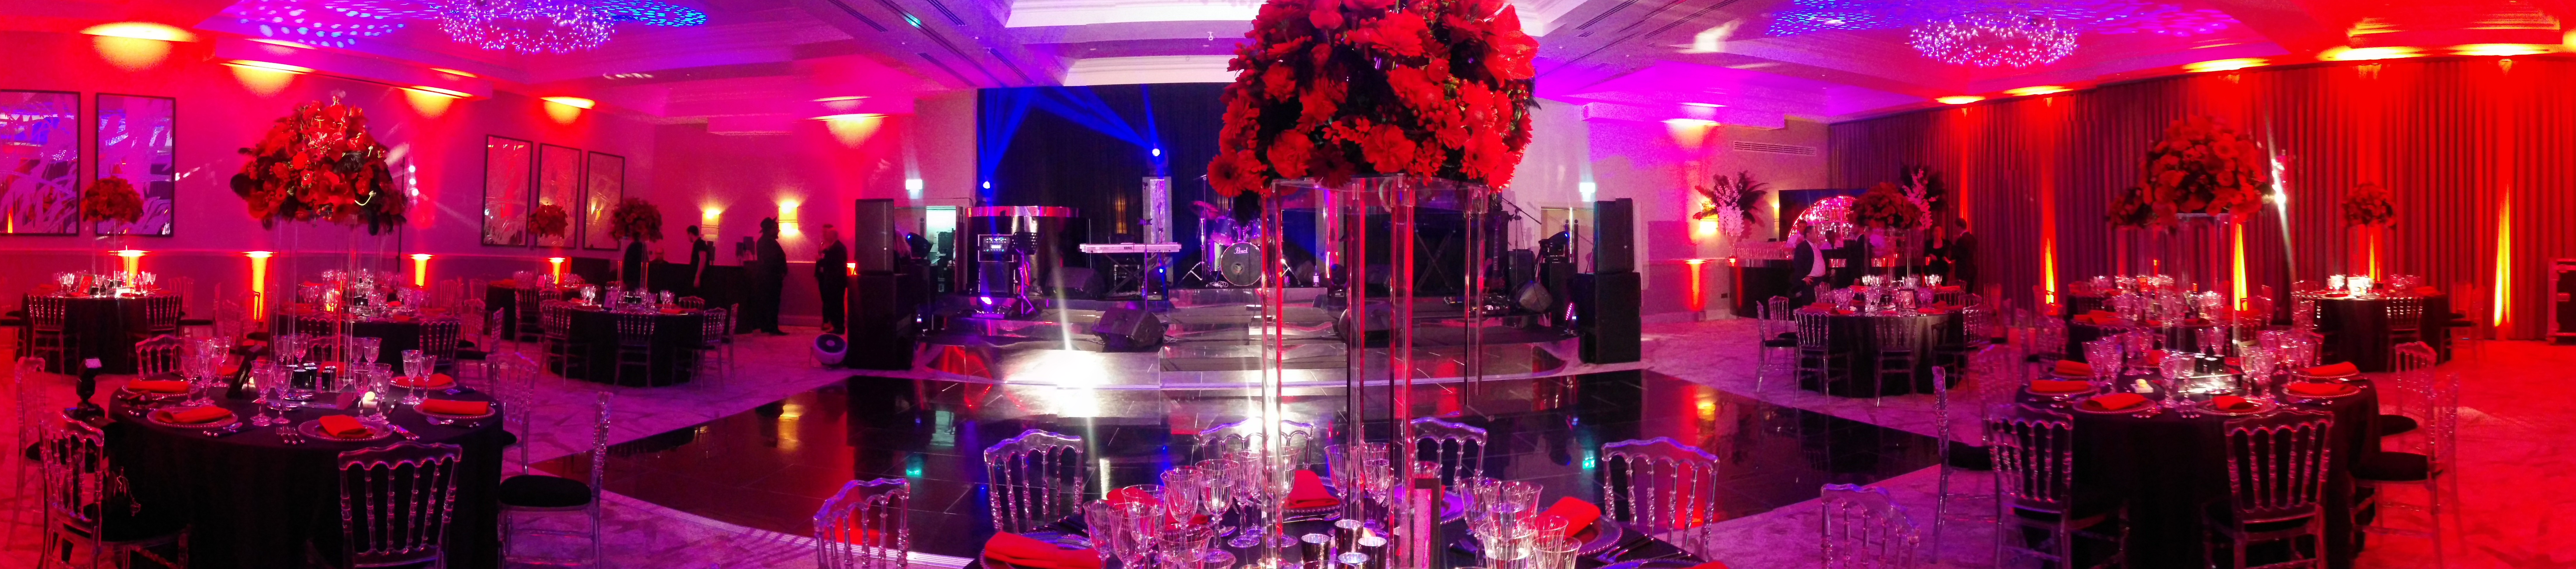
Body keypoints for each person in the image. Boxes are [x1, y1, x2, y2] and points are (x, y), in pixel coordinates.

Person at [746, 218, 789, 335]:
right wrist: (780, 272)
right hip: (771, 278)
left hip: (770, 277)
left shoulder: (765, 241)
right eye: (776, 228)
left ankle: (767, 326)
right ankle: (772, 327)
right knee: (772, 303)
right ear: (769, 230)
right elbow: (772, 260)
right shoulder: (767, 243)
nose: (778, 231)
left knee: (769, 302)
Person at [813, 224, 849, 335]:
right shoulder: (835, 247)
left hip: (836, 281)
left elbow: (833, 264)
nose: (825, 236)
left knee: (837, 304)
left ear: (833, 235)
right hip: (834, 280)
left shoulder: (837, 248)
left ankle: (838, 327)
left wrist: (820, 260)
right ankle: (836, 326)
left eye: (828, 234)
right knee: (834, 303)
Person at [1946, 217, 1977, 292]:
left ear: (1959, 227)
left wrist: (1954, 244)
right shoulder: (1973, 238)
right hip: (1972, 269)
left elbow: (1955, 256)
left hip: (1963, 270)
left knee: (1962, 292)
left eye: (1956, 227)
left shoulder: (1961, 240)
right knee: (1970, 292)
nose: (1955, 229)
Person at [685, 225, 717, 296]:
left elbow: (703, 259)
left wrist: (698, 277)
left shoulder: (700, 244)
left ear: (691, 234)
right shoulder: (699, 244)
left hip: (702, 278)